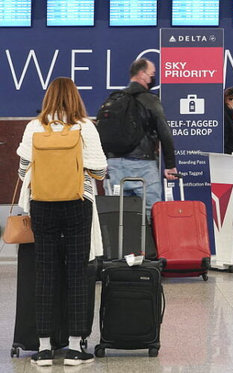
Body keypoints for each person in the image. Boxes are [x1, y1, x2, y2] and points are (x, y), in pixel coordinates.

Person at [16, 77, 107, 366]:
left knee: (45, 271)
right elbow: (100, 169)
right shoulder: (85, 127)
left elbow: (22, 172)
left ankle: (44, 348)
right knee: (79, 271)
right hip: (78, 204)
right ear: (76, 98)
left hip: (42, 205)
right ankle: (75, 348)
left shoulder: (34, 126)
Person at [103, 58, 177, 217]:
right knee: (152, 213)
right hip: (143, 166)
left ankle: (122, 243)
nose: (153, 78)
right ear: (142, 74)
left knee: (119, 216)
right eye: (152, 74)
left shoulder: (114, 99)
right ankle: (149, 241)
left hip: (114, 165)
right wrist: (170, 164)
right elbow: (164, 131)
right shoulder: (150, 100)